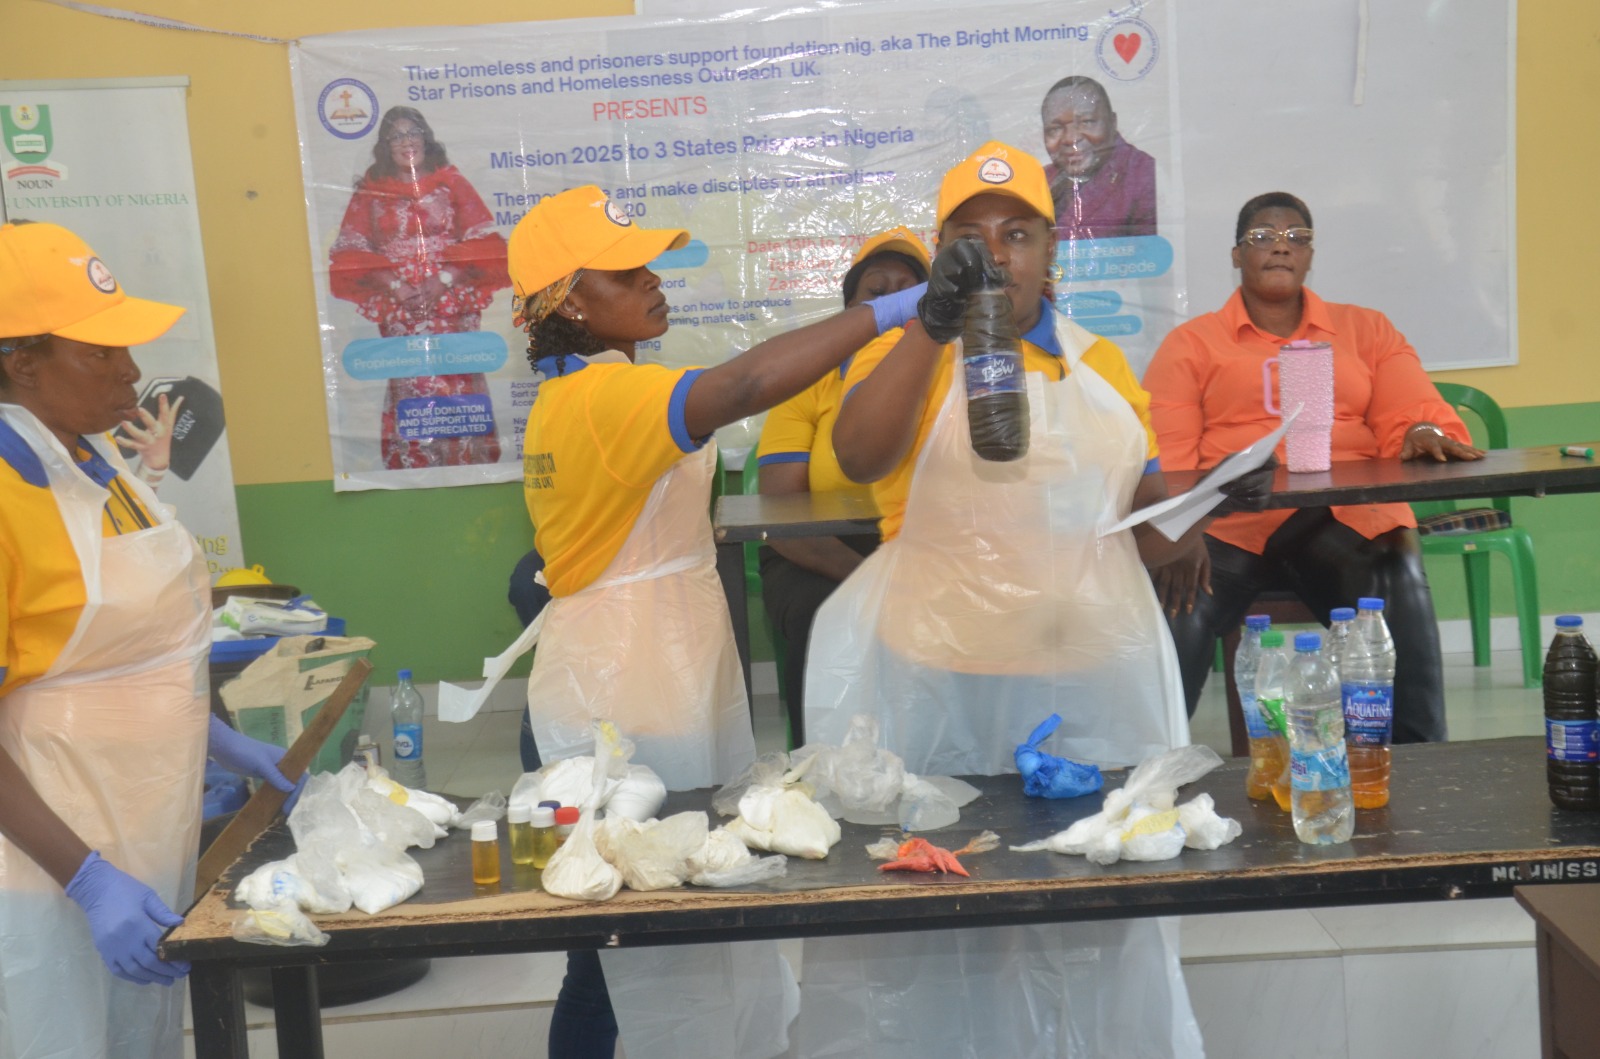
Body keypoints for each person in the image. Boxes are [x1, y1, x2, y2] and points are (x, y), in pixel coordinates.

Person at [447, 185, 979, 1059]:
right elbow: (748, 382)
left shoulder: (590, 387)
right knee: (629, 942)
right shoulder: (602, 401)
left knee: (640, 930)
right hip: (631, 693)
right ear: (570, 299)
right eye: (627, 271)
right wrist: (897, 310)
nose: (654, 279)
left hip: (646, 670)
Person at [797, 142, 1250, 1058]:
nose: (995, 252)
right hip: (940, 693)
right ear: (944, 249)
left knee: (1102, 923)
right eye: (970, 235)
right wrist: (930, 328)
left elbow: (1151, 527)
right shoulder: (906, 354)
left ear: (1051, 250)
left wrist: (1213, 503)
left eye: (1017, 233)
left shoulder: (1100, 365)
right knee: (944, 937)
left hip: (1086, 695)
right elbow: (861, 456)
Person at [0, 220, 300, 1057]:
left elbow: (116, 652)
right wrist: (87, 879)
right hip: (40, 855)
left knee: (139, 1037)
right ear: (21, 361)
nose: (131, 368)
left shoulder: (95, 462)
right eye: (99, 352)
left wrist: (209, 735)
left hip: (141, 827)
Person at [1142, 191, 1482, 743]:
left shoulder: (1365, 330)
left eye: (1296, 237)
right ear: (1235, 255)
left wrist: (1423, 432)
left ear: (1310, 254)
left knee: (1394, 569)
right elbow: (1170, 458)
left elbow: (1413, 411)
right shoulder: (1192, 343)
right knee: (1175, 603)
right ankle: (1150, 770)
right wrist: (1181, 533)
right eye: (1262, 238)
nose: (1281, 247)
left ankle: (1420, 763)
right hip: (1231, 524)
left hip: (1340, 519)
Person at [754, 226, 930, 731]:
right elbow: (780, 510)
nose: (893, 305)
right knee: (823, 615)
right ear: (851, 306)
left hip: (917, 546)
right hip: (818, 552)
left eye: (909, 292)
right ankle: (818, 760)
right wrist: (867, 581)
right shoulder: (808, 378)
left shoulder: (947, 371)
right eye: (877, 293)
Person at [328, 106, 510, 470]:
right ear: (385, 145)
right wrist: (395, 285)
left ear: (426, 138)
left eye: (413, 133)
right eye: (396, 135)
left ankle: (465, 462)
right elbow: (351, 254)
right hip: (400, 302)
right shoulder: (371, 191)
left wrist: (443, 279)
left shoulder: (451, 181)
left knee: (456, 375)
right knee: (410, 377)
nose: (406, 141)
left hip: (450, 298)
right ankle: (414, 465)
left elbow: (486, 244)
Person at [1041, 75, 1157, 241]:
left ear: (1112, 122)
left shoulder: (1144, 176)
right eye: (1054, 129)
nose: (1070, 139)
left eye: (1086, 122)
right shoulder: (1042, 180)